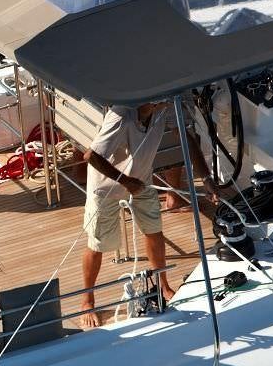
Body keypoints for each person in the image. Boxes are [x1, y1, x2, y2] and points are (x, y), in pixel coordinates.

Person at [80, 101, 218, 328]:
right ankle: (87, 301)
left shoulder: (166, 105)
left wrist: (206, 178)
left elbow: (186, 139)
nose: (167, 99)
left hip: (141, 181)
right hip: (105, 187)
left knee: (154, 230)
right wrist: (126, 182)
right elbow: (91, 156)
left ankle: (163, 286)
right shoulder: (121, 115)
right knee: (98, 244)